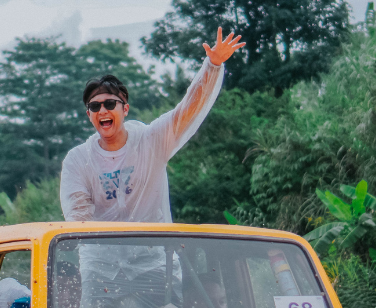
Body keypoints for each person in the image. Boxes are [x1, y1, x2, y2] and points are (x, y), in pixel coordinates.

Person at [59, 27, 245, 223]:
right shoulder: (78, 160)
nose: (103, 111)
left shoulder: (151, 141)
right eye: (95, 106)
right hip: (99, 253)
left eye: (110, 104)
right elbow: (78, 216)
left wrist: (213, 65)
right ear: (89, 115)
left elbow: (187, 111)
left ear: (125, 109)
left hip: (152, 250)